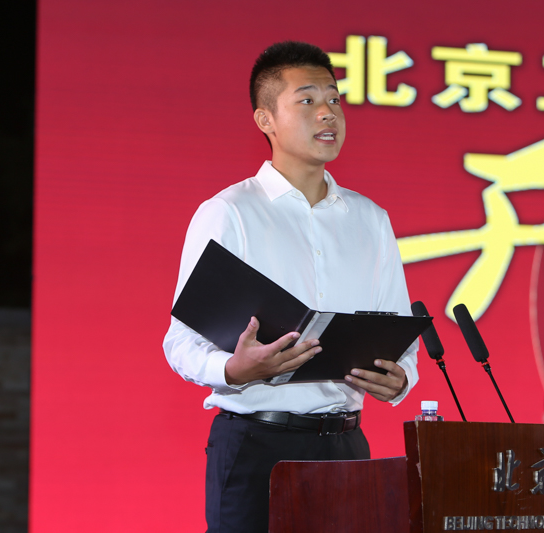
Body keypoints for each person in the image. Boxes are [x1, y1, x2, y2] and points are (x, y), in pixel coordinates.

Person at [163, 41, 419, 533]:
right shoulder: (230, 212)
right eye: (307, 100)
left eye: (335, 99)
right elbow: (180, 342)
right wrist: (233, 369)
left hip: (347, 447)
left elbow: (397, 331)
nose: (328, 113)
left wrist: (400, 379)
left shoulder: (370, 219)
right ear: (266, 120)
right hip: (257, 446)